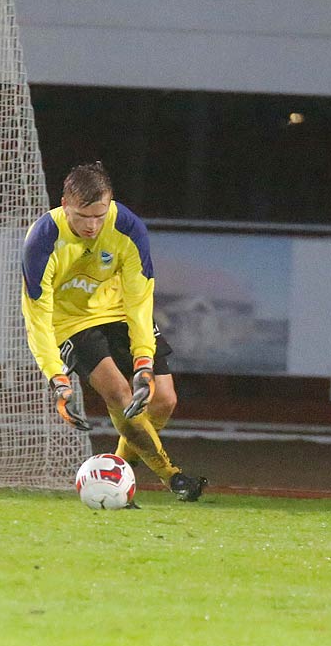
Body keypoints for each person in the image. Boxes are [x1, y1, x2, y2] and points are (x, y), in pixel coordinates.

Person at [20, 162, 204, 501]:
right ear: (64, 204)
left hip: (119, 311)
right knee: (119, 394)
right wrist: (57, 378)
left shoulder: (128, 229)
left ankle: (116, 470)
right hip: (71, 324)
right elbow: (37, 317)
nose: (92, 225)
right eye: (82, 216)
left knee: (163, 399)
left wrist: (144, 363)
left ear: (111, 205)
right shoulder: (43, 241)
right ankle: (172, 476)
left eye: (99, 216)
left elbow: (139, 302)